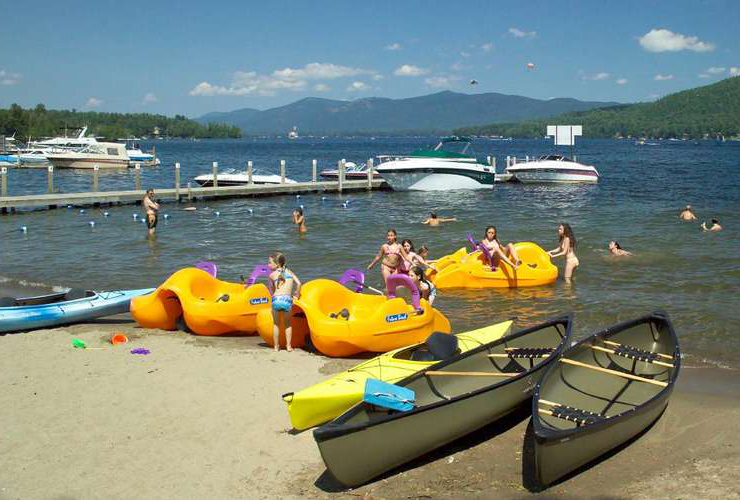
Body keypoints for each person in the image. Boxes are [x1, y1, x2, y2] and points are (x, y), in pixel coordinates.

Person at [268, 252, 302, 352]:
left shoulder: (272, 275)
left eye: (270, 262)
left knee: (276, 324)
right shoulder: (290, 272)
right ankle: (288, 346)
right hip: (287, 300)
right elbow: (299, 283)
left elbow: (272, 291)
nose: (268, 265)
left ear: (277, 264)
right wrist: (296, 294)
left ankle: (276, 347)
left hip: (277, 299)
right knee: (288, 324)